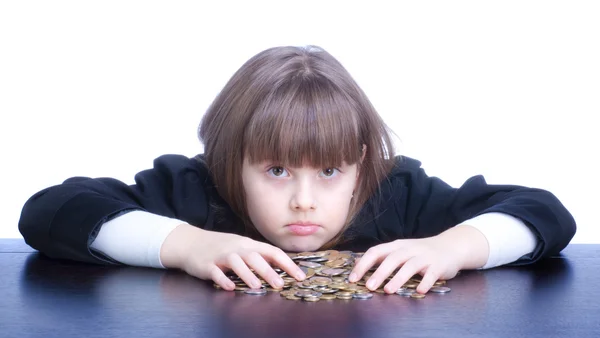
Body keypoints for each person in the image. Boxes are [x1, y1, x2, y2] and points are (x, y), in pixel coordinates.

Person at [18, 45, 576, 295]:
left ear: (361, 160)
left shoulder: (396, 192)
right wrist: (186, 244)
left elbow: (544, 212)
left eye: (330, 171)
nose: (305, 201)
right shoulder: (194, 190)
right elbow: (50, 211)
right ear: (230, 164)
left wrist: (453, 247)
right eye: (278, 170)